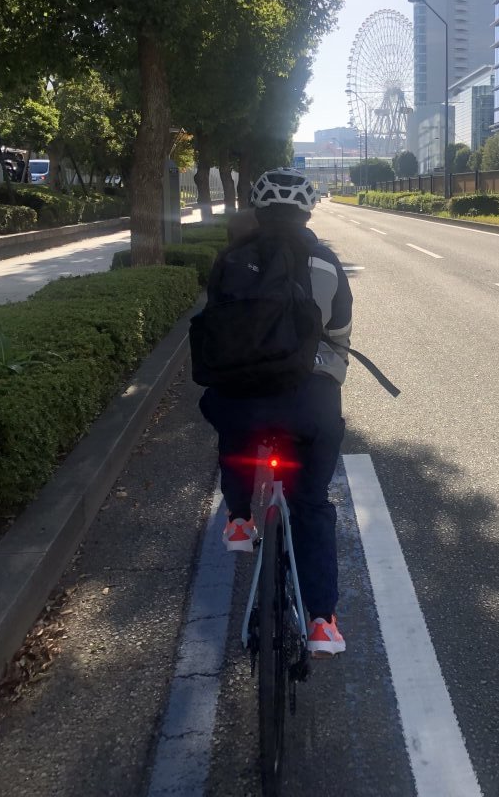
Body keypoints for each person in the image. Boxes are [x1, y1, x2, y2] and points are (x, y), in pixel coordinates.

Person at [199, 167, 352, 657]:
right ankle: (321, 621)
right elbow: (340, 334)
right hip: (309, 402)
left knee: (235, 427)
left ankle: (239, 518)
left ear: (259, 211)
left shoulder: (231, 259)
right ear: (307, 212)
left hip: (242, 397)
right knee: (311, 503)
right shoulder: (327, 263)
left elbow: (217, 325)